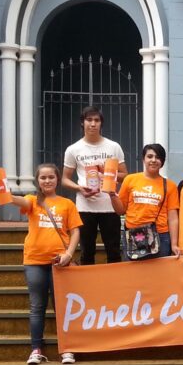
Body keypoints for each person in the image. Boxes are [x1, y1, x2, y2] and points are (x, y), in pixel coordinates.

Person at [8, 163, 81, 365]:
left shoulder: (67, 204)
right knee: (37, 307)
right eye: (43, 178)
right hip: (34, 261)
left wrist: (69, 253)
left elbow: (75, 231)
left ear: (58, 179)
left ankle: (67, 349)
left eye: (51, 177)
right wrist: (5, 193)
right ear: (37, 181)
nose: (47, 181)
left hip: (61, 263)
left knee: (63, 308)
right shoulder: (33, 201)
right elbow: (17, 200)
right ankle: (36, 349)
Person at [62, 106, 127, 265]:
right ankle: (88, 289)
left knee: (113, 251)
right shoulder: (73, 149)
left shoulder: (113, 146)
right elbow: (64, 179)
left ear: (101, 124)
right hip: (85, 207)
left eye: (96, 120)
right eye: (89, 120)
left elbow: (125, 176)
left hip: (110, 205)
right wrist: (79, 189)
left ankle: (115, 288)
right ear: (82, 123)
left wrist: (107, 174)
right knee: (87, 252)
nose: (93, 124)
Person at [110, 143, 181, 260]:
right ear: (143, 159)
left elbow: (173, 218)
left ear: (162, 162)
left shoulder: (170, 186)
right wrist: (112, 195)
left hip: (160, 236)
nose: (153, 160)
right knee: (132, 274)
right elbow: (120, 210)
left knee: (157, 276)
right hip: (132, 234)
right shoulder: (130, 179)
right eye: (150, 156)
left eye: (158, 157)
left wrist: (174, 244)